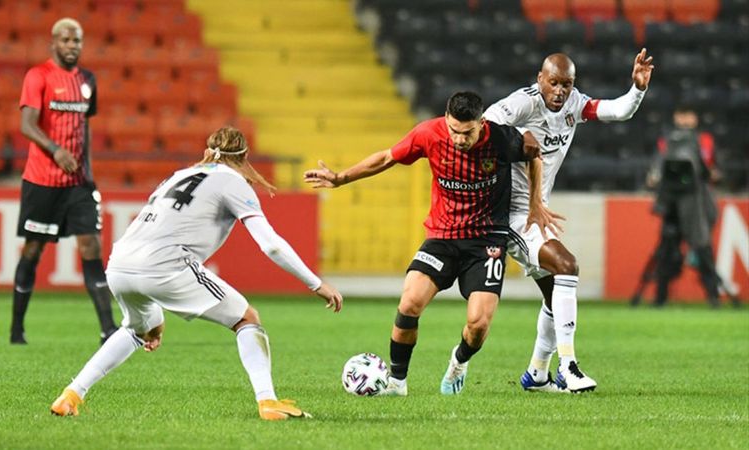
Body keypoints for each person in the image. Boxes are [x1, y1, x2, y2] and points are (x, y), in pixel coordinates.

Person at [50, 126, 343, 420]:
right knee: (246, 318)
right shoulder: (234, 181)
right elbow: (271, 245)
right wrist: (315, 284)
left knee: (137, 329)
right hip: (166, 263)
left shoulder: (179, 175)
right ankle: (268, 402)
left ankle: (71, 395)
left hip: (120, 263)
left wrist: (153, 318)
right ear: (243, 156)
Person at [305, 91, 539, 396]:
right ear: (446, 119)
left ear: (481, 123)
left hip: (487, 241)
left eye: (467, 132)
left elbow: (534, 152)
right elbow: (388, 157)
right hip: (442, 237)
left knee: (478, 324)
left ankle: (459, 361)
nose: (459, 139)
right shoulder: (429, 133)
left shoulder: (501, 140)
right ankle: (397, 383)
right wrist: (341, 177)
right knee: (410, 302)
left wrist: (536, 207)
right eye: (454, 130)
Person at [482, 49, 654, 393]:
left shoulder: (575, 104)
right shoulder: (524, 103)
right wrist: (518, 138)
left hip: (537, 212)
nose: (560, 91)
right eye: (555, 83)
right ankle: (569, 366)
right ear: (540, 79)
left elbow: (617, 111)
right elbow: (485, 121)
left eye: (567, 84)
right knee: (567, 266)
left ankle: (537, 373)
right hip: (511, 216)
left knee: (553, 296)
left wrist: (637, 88)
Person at [11, 18, 118, 345]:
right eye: (67, 40)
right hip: (43, 182)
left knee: (92, 245)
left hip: (78, 184)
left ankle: (108, 330)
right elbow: (27, 125)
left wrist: (87, 171)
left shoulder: (88, 80)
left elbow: (84, 126)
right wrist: (56, 151)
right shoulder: (38, 76)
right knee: (33, 249)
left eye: (78, 41)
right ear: (53, 43)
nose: (73, 46)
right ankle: (17, 328)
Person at [634, 104, 737, 308]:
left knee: (702, 248)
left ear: (695, 119)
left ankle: (713, 297)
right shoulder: (666, 142)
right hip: (672, 200)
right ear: (675, 117)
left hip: (696, 201)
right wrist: (654, 177)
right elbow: (657, 168)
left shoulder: (704, 141)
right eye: (681, 116)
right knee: (667, 249)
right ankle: (660, 298)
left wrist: (713, 174)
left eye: (688, 116)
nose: (684, 121)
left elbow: (715, 170)